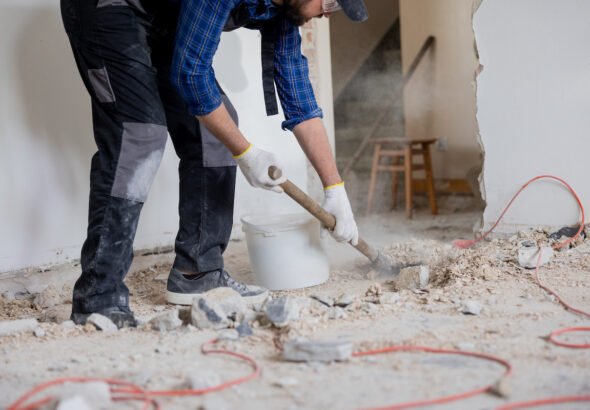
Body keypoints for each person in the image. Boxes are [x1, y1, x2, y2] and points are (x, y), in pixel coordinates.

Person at [61, 0, 366, 328]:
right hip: (108, 8)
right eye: (331, 1)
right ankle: (98, 295)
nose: (327, 13)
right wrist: (246, 153)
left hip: (162, 17)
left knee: (215, 135)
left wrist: (335, 189)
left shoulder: (283, 12)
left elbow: (301, 101)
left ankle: (198, 272)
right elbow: (190, 75)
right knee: (140, 134)